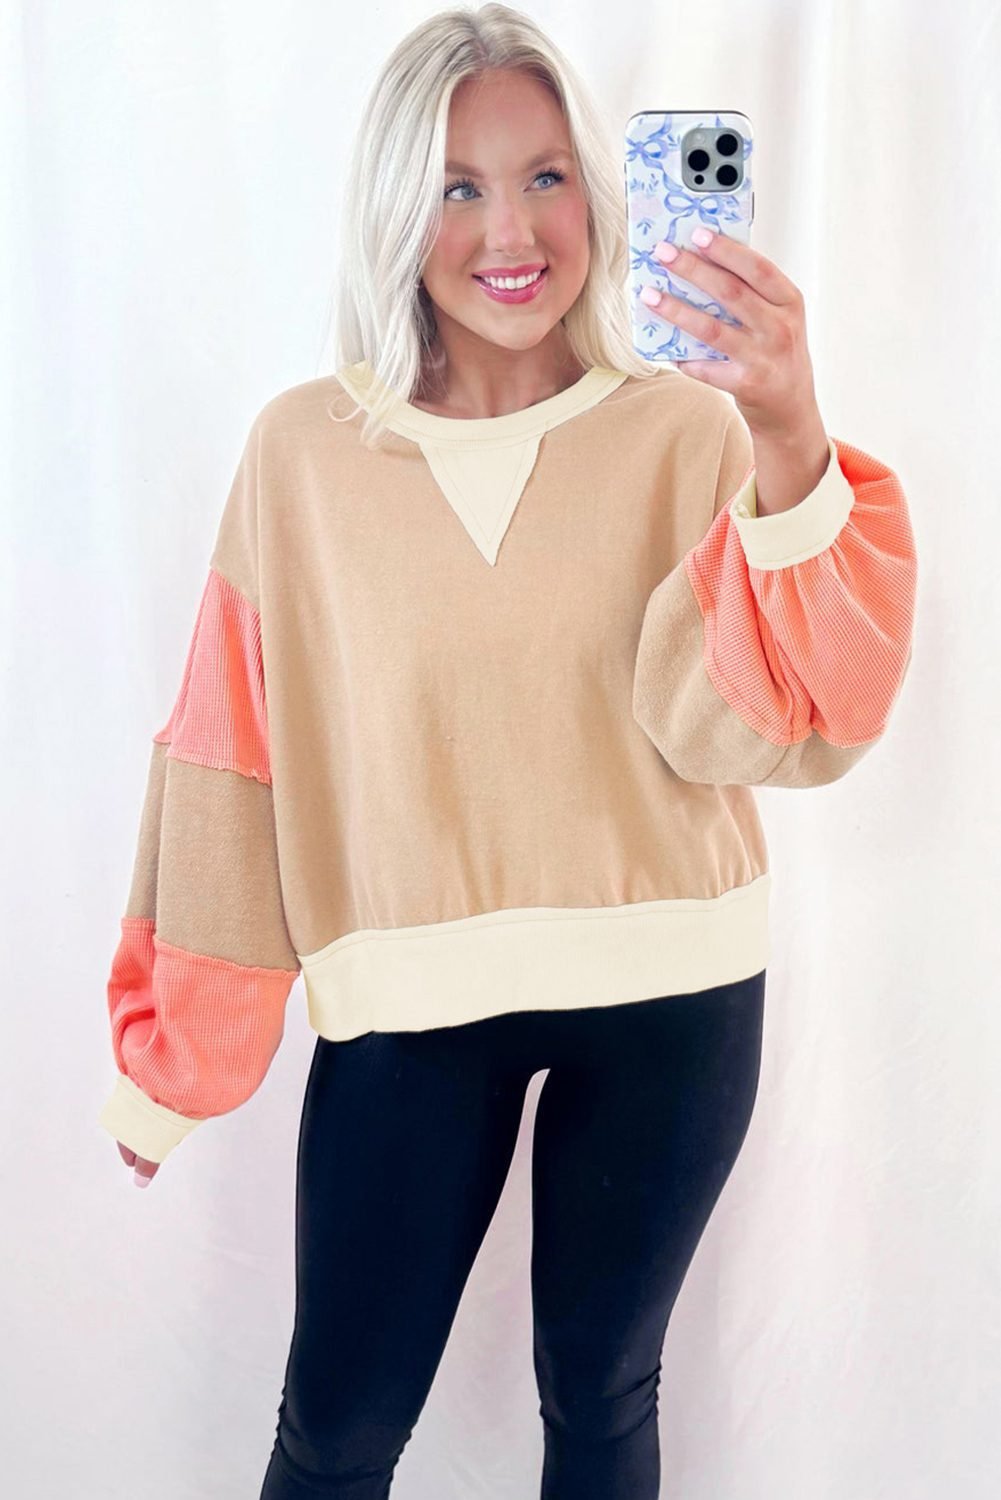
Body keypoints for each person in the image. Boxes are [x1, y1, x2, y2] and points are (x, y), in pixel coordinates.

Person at [96, 5, 918, 1497]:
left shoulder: (687, 427)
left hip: (672, 992)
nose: (510, 231)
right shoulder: (303, 454)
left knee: (601, 1399)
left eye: (545, 177)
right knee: (338, 1434)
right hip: (407, 1015)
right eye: (458, 187)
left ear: (597, 194)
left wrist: (791, 439)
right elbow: (230, 766)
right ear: (394, 210)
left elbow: (796, 728)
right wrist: (180, 1063)